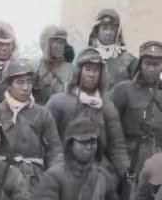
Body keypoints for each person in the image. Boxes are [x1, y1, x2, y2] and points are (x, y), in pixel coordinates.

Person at [46, 47, 131, 181]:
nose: (92, 74)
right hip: (65, 166)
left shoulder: (107, 106)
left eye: (96, 70)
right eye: (88, 69)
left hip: (98, 168)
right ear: (79, 71)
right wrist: (55, 168)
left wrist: (125, 172)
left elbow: (117, 145)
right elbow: (49, 141)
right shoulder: (58, 102)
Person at [0, 59, 63, 197]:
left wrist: (53, 178)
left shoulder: (42, 114)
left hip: (35, 178)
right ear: (8, 85)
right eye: (19, 82)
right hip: (2, 178)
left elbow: (54, 150)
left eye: (29, 82)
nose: (25, 87)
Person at [109, 40, 162, 178]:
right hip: (129, 158)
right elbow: (111, 128)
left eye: (156, 64)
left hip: (159, 160)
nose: (151, 69)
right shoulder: (123, 90)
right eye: (147, 64)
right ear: (140, 64)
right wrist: (121, 164)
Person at [88, 9, 138, 91]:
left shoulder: (129, 60)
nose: (108, 32)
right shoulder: (86, 58)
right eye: (104, 28)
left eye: (112, 29)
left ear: (117, 32)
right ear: (97, 31)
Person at [33, 25, 74, 105]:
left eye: (61, 42)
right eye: (55, 42)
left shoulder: (71, 70)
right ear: (45, 43)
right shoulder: (34, 68)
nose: (59, 46)